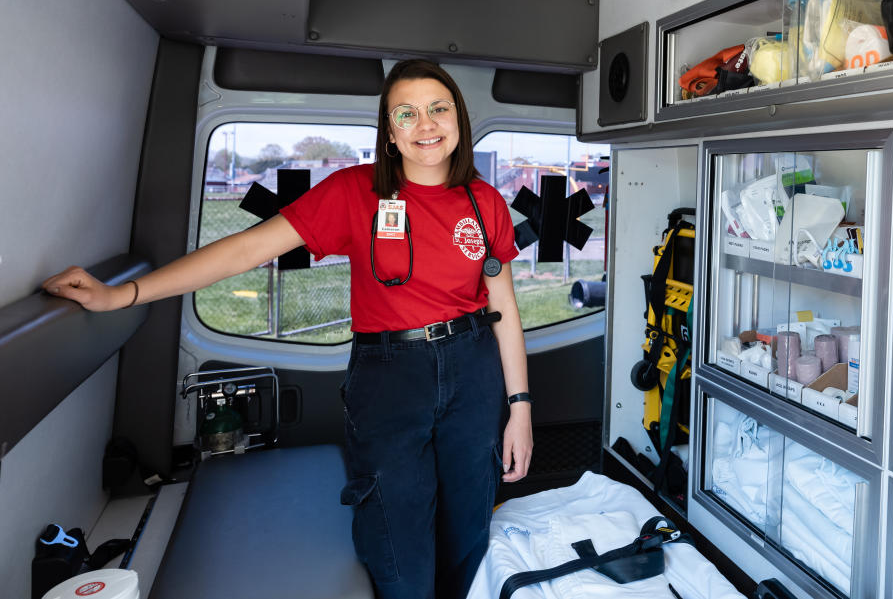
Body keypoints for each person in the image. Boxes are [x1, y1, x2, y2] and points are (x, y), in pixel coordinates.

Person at [42, 59, 533, 599]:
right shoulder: (353, 191)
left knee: (468, 527)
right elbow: (245, 250)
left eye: (439, 109)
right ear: (389, 131)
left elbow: (502, 304)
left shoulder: (484, 201)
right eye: (407, 113)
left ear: (458, 120)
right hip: (391, 375)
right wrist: (123, 294)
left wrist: (520, 408)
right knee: (396, 539)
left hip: (473, 367)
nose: (426, 124)